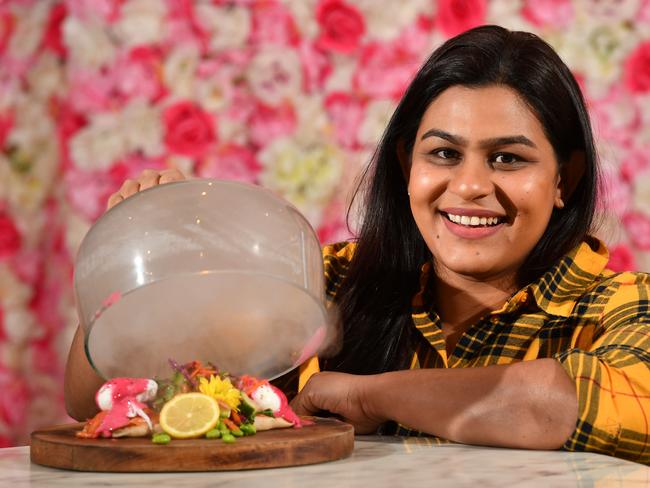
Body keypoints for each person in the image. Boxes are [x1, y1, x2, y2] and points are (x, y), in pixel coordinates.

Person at [64, 25, 650, 464]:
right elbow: (94, 396)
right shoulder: (332, 285)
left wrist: (369, 398)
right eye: (443, 153)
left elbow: (573, 401)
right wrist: (145, 253)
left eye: (508, 158)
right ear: (406, 165)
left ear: (563, 182)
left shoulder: (621, 305)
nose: (470, 186)